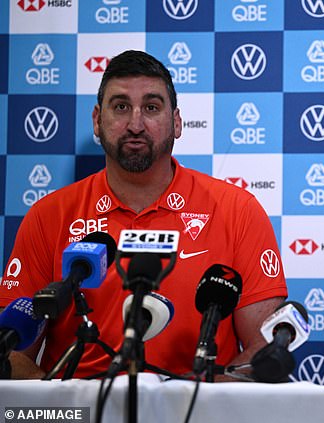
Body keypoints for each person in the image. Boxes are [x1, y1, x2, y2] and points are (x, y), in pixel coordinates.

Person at [0, 50, 287, 380]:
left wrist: (198, 404)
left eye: (151, 107)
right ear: (97, 120)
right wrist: (72, 411)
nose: (135, 124)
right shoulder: (49, 216)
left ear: (176, 122)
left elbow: (265, 350)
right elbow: (10, 352)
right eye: (121, 106)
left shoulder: (238, 211)